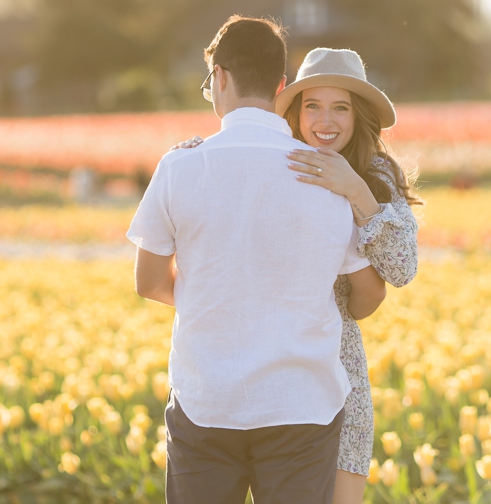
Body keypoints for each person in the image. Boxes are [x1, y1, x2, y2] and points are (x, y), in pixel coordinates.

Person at [127, 16, 388, 503]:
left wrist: (215, 291)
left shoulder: (180, 166)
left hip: (206, 402)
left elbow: (148, 281)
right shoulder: (325, 174)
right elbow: (370, 291)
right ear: (281, 86)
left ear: (220, 77)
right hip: (302, 403)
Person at [171, 47, 421, 504]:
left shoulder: (376, 171)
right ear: (295, 111)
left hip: (333, 368)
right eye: (313, 106)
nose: (326, 120)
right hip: (243, 370)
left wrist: (354, 189)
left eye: (340, 107)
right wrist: (192, 156)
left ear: (357, 114)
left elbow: (400, 270)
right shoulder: (274, 160)